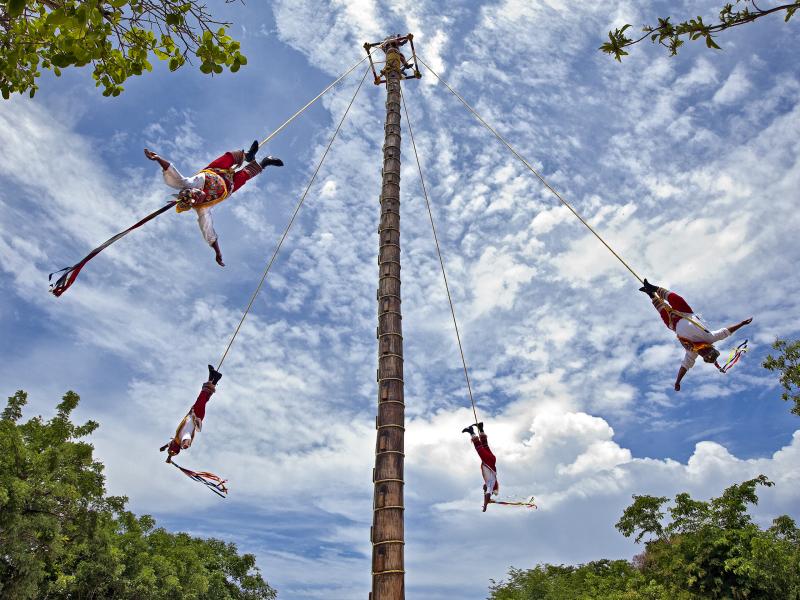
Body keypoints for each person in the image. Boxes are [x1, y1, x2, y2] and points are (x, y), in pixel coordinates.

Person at [144, 141, 283, 266]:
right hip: (229, 186)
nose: (199, 194)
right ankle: (265, 162)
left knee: (227, 158)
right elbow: (208, 232)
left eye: (196, 192)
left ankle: (248, 155)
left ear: (192, 189)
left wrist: (157, 158)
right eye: (198, 197)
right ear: (195, 202)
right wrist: (217, 252)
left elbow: (172, 173)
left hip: (216, 170)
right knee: (244, 176)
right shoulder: (202, 209)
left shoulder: (189, 184)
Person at [639, 279, 753, 391]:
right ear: (709, 348)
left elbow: (685, 367)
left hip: (673, 324)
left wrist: (678, 381)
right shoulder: (710, 338)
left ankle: (650, 294)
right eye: (705, 352)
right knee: (677, 299)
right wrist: (741, 324)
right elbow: (726, 332)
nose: (702, 353)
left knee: (662, 311)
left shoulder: (692, 352)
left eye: (703, 356)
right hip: (685, 313)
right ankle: (653, 288)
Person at [160, 365, 223, 462]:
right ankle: (214, 379)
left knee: (204, 398)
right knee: (202, 396)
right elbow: (187, 440)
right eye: (171, 445)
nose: (171, 442)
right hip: (197, 416)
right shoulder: (183, 437)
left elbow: (169, 444)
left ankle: (214, 378)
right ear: (176, 445)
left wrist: (167, 454)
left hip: (193, 412)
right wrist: (186, 444)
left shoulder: (176, 439)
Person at [462, 421, 499, 512]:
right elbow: (487, 494)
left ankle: (481, 428)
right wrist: (485, 506)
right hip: (488, 461)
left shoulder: (491, 482)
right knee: (479, 448)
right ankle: (471, 431)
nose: (483, 489)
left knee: (485, 446)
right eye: (485, 490)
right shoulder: (491, 485)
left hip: (491, 460)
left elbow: (486, 493)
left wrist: (486, 501)